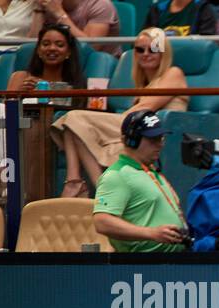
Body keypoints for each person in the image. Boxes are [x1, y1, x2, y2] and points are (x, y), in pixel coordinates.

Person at [53, 26, 189, 196]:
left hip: (154, 130)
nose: (146, 53)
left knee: (73, 117)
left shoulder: (174, 73)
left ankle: (96, 187)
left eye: (153, 48)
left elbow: (146, 107)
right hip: (137, 129)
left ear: (164, 52)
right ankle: (76, 181)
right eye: (140, 49)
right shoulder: (144, 83)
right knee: (72, 125)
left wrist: (110, 122)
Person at [0, 23, 85, 198]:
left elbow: (73, 113)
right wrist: (20, 95)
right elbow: (7, 107)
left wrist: (48, 93)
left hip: (38, 133)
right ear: (39, 50)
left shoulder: (73, 87)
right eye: (46, 44)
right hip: (7, 130)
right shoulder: (20, 77)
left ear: (68, 52)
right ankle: (6, 184)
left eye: (59, 44)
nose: (52, 48)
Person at [92, 108, 188, 252]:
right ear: (130, 141)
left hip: (172, 261)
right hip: (143, 265)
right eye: (152, 139)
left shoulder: (151, 171)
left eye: (161, 138)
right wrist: (152, 233)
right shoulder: (118, 175)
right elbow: (102, 222)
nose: (160, 144)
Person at [143, 0, 219, 36]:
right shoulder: (157, 8)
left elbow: (205, 46)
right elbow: (148, 43)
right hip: (160, 62)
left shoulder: (203, 9)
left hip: (192, 61)